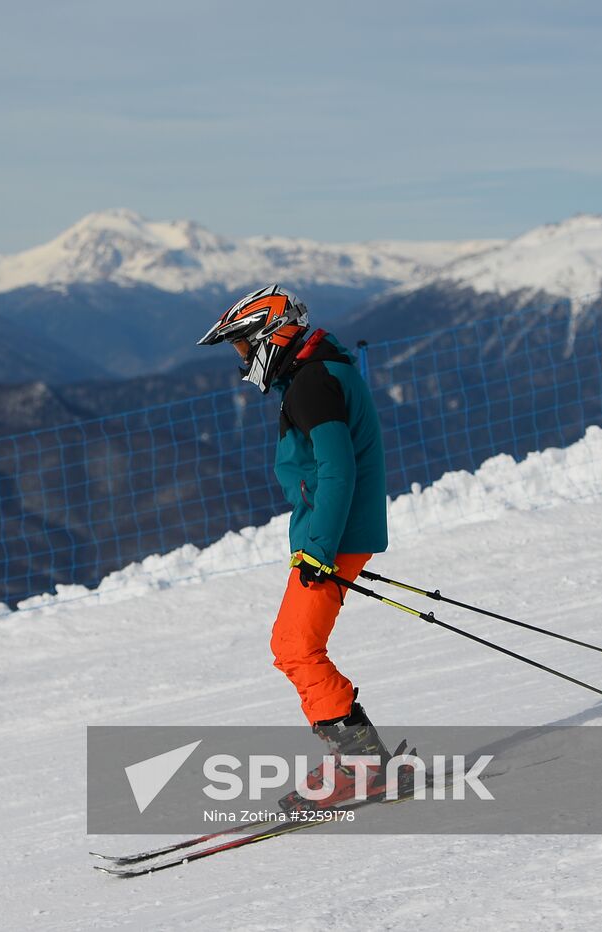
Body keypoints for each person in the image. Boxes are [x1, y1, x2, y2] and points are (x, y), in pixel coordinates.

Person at [197, 284, 392, 811]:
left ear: (269, 336)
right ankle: (357, 761)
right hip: (331, 532)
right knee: (292, 644)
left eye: (242, 346)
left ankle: (361, 768)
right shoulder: (317, 371)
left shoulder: (312, 384)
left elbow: (337, 468)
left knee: (296, 647)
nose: (241, 360)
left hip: (333, 536)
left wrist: (319, 550)